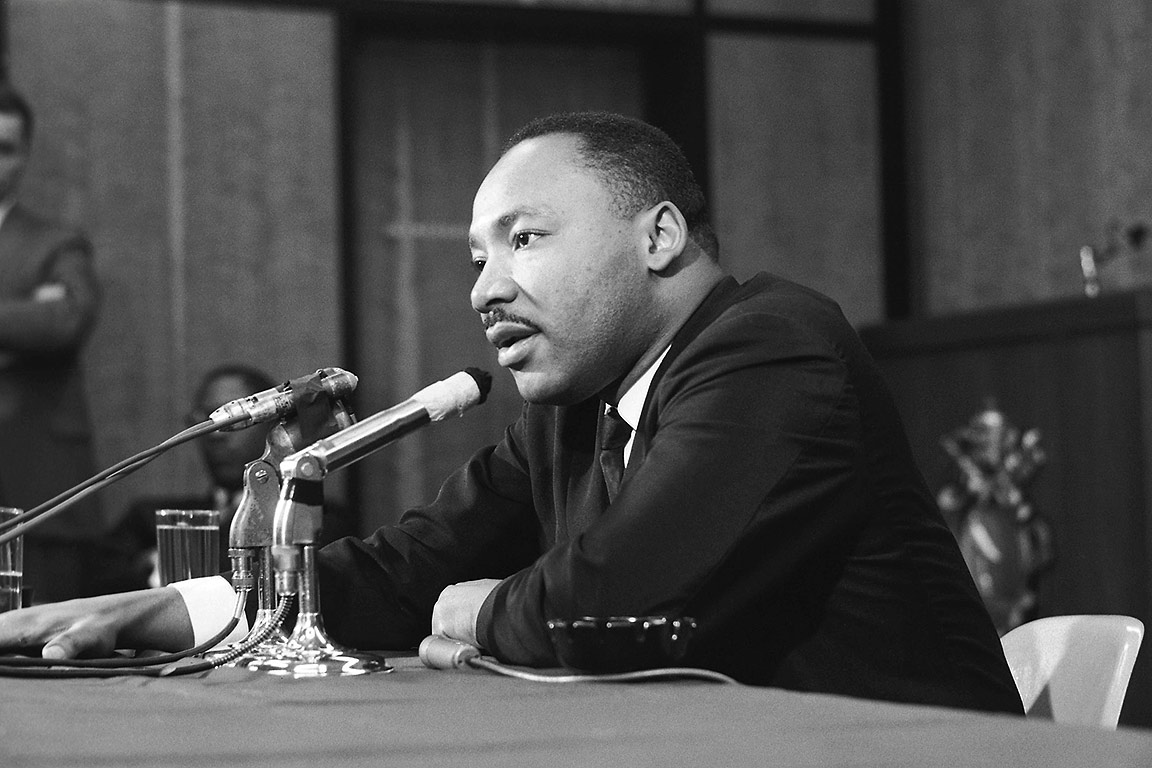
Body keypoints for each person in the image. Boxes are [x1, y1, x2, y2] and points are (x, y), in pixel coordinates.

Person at [0, 112, 1023, 714]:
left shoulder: (773, 346)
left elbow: (617, 608)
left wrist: (478, 611)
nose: (486, 288)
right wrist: (179, 613)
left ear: (658, 236)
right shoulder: (570, 407)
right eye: (477, 261)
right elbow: (409, 568)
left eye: (524, 239)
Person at [82, 364, 357, 594]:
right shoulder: (148, 517)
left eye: (232, 422)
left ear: (273, 421)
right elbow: (93, 582)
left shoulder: (315, 517)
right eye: (205, 419)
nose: (214, 435)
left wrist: (160, 564)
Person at [0, 86, 102, 604]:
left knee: (45, 655)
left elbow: (63, 321)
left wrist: (39, 318)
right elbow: (36, 322)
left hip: (35, 485)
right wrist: (22, 312)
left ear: (26, 156)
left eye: (5, 148)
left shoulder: (56, 242)